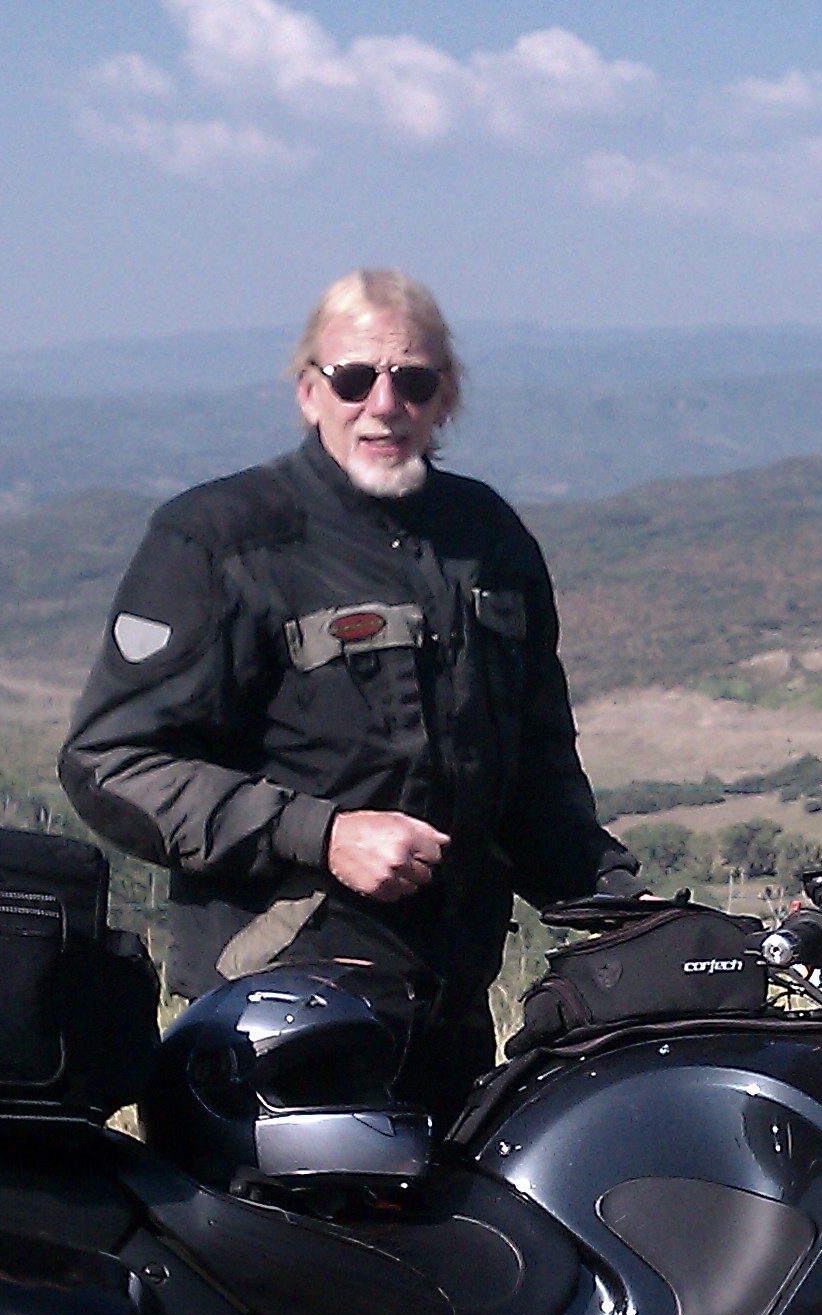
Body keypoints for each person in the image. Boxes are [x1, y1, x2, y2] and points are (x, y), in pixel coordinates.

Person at [60, 268, 637, 1113]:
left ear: (446, 400)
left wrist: (630, 910)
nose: (383, 404)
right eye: (354, 378)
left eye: (414, 381)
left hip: (449, 1022)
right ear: (309, 393)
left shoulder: (489, 541)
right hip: (274, 1024)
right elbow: (109, 764)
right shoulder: (221, 541)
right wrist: (323, 835)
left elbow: (537, 777)